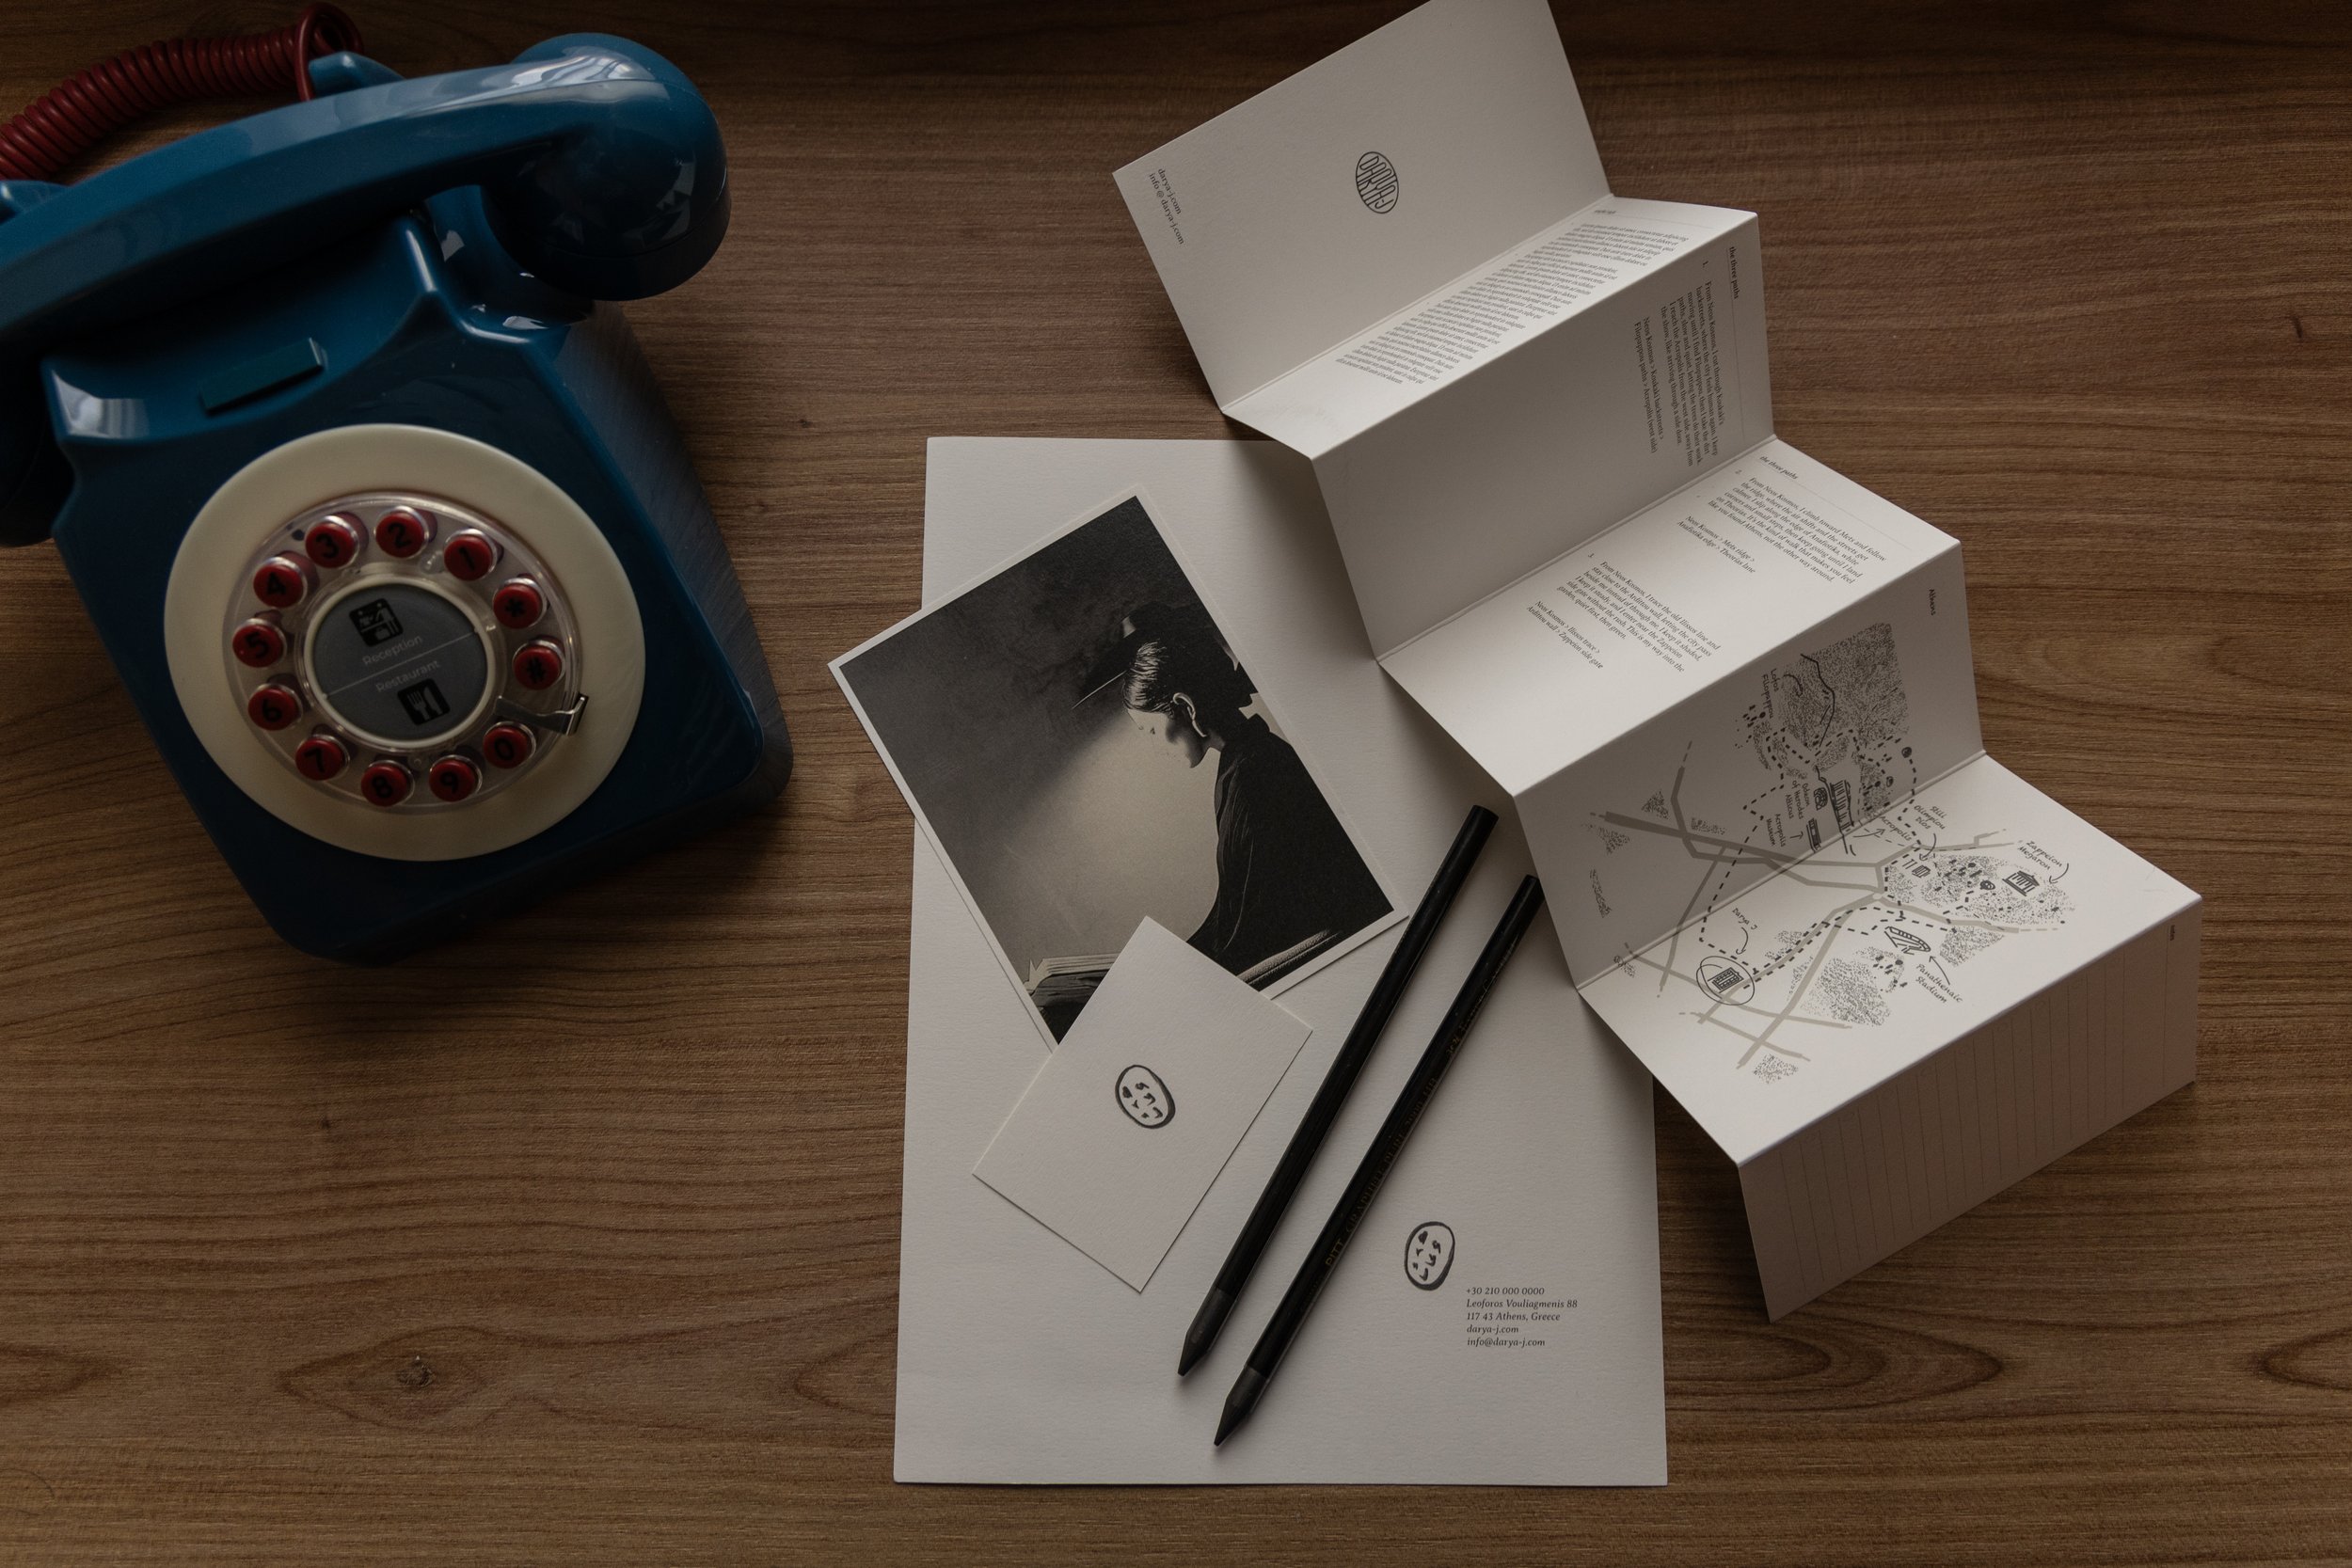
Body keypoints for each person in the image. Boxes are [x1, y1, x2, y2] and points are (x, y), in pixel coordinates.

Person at [1117, 604, 1391, 979]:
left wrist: (1173, 976)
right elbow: (1236, 912)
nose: (1154, 747)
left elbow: (1264, 929)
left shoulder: (1255, 775)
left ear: (1184, 706)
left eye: (1149, 731)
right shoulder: (1247, 761)